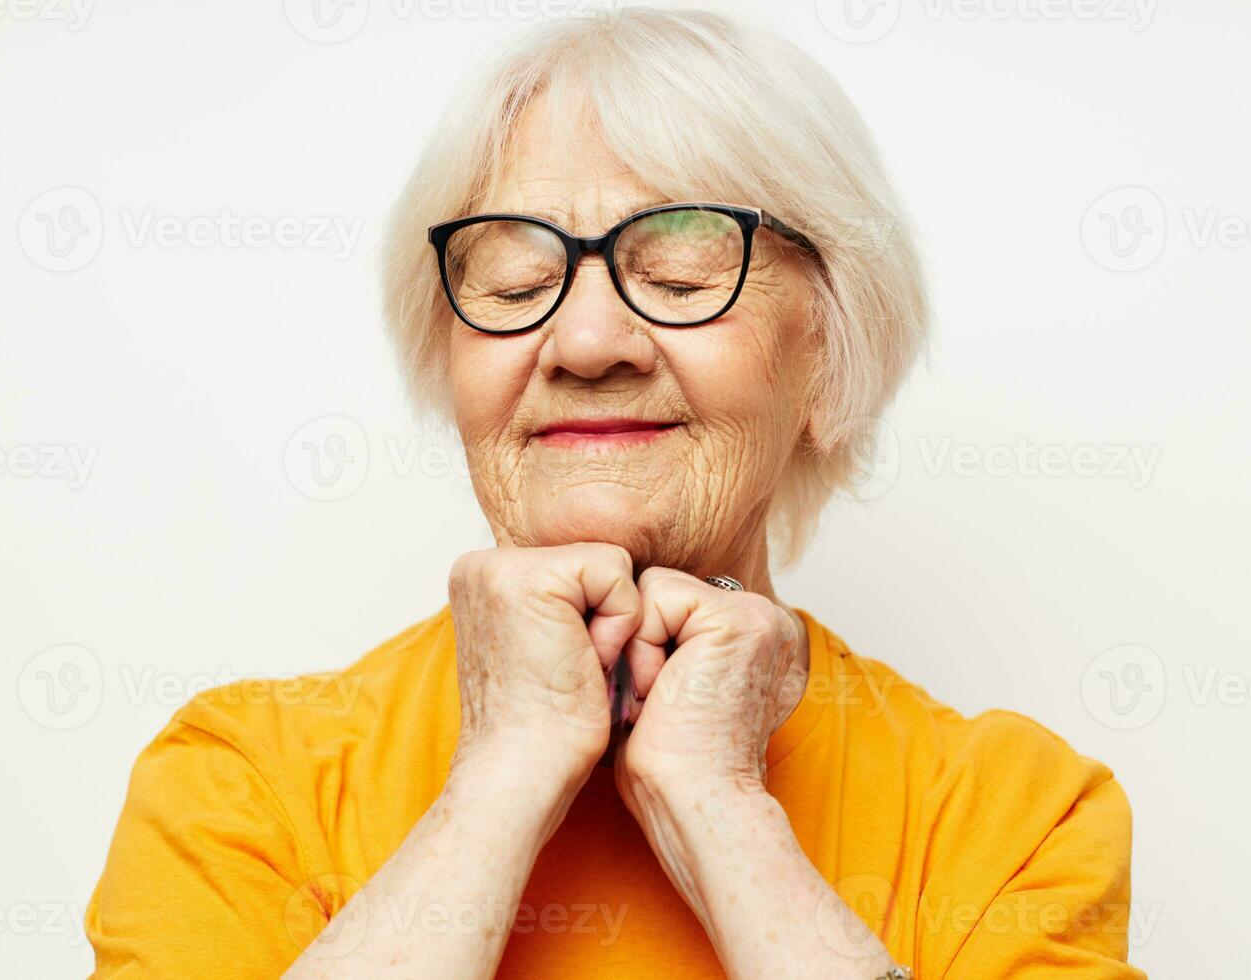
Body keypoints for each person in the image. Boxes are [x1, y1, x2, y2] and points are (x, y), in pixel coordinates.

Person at [85, 8, 1142, 978]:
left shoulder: (1019, 813)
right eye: (514, 283)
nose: (587, 342)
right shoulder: (240, 780)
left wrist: (723, 810)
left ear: (827, 358)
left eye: (684, 277)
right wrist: (502, 773)